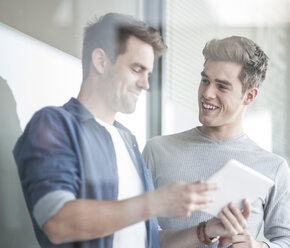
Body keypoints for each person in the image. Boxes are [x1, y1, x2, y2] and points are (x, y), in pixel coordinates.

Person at [13, 13, 250, 248]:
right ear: (101, 61)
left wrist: (205, 230)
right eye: (137, 69)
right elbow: (57, 222)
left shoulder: (127, 140)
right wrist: (154, 202)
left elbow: (150, 240)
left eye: (148, 74)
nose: (145, 84)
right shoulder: (54, 124)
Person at [143, 36, 290, 248]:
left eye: (222, 86)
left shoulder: (273, 168)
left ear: (249, 96)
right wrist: (203, 231)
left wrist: (257, 246)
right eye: (205, 80)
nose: (207, 93)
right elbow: (139, 235)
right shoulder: (158, 151)